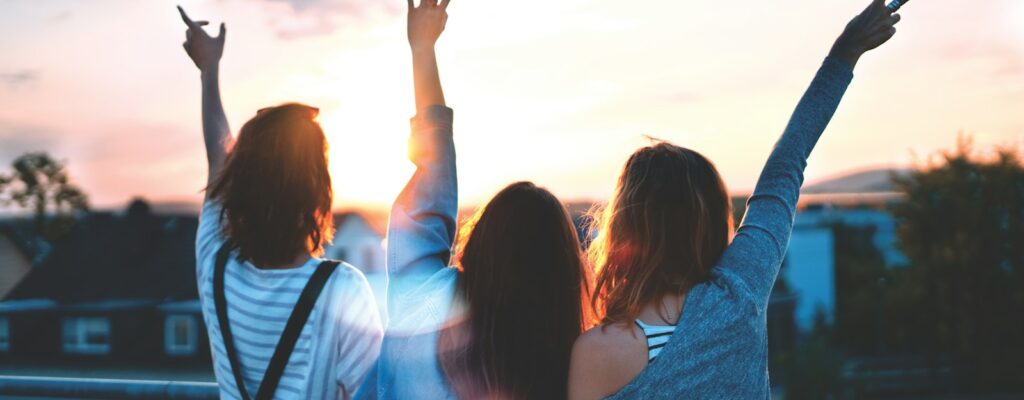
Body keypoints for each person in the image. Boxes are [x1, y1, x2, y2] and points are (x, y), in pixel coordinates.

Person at [567, 1, 903, 398]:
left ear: (623, 225)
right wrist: (845, 53)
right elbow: (786, 165)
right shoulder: (739, 291)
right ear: (710, 220)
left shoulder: (596, 353)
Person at [358, 0, 593, 398]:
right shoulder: (570, 365)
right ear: (562, 272)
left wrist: (422, 50)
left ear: (481, 241)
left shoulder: (421, 303)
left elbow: (433, 180)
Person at [178, 6, 383, 399]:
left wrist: (209, 71)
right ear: (317, 192)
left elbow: (217, 158)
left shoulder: (214, 264)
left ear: (239, 185)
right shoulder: (342, 290)